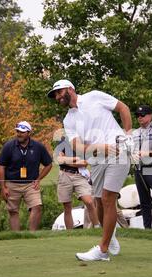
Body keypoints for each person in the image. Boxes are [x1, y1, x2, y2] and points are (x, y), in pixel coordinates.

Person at [48, 79, 132, 261]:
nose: (57, 97)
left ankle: (102, 250)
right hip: (97, 159)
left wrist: (128, 134)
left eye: (59, 92)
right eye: (55, 95)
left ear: (70, 88)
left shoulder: (94, 97)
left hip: (119, 152)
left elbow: (123, 108)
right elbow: (77, 147)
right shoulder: (68, 119)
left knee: (108, 198)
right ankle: (110, 237)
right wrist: (100, 147)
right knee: (99, 201)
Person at [0, 121, 53, 231]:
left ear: (29, 133)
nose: (19, 134)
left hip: (31, 184)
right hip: (12, 184)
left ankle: (31, 235)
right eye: (18, 131)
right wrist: (3, 187)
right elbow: (1, 167)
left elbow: (48, 164)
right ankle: (17, 236)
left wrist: (38, 179)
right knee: (13, 211)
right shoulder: (9, 146)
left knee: (37, 207)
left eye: (22, 132)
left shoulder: (38, 147)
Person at [55, 135, 100, 229]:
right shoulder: (64, 139)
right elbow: (59, 159)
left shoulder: (86, 141)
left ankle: (97, 227)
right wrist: (75, 160)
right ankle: (70, 233)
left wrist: (66, 160)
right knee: (67, 207)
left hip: (80, 175)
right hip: (64, 175)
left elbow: (84, 163)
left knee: (89, 201)